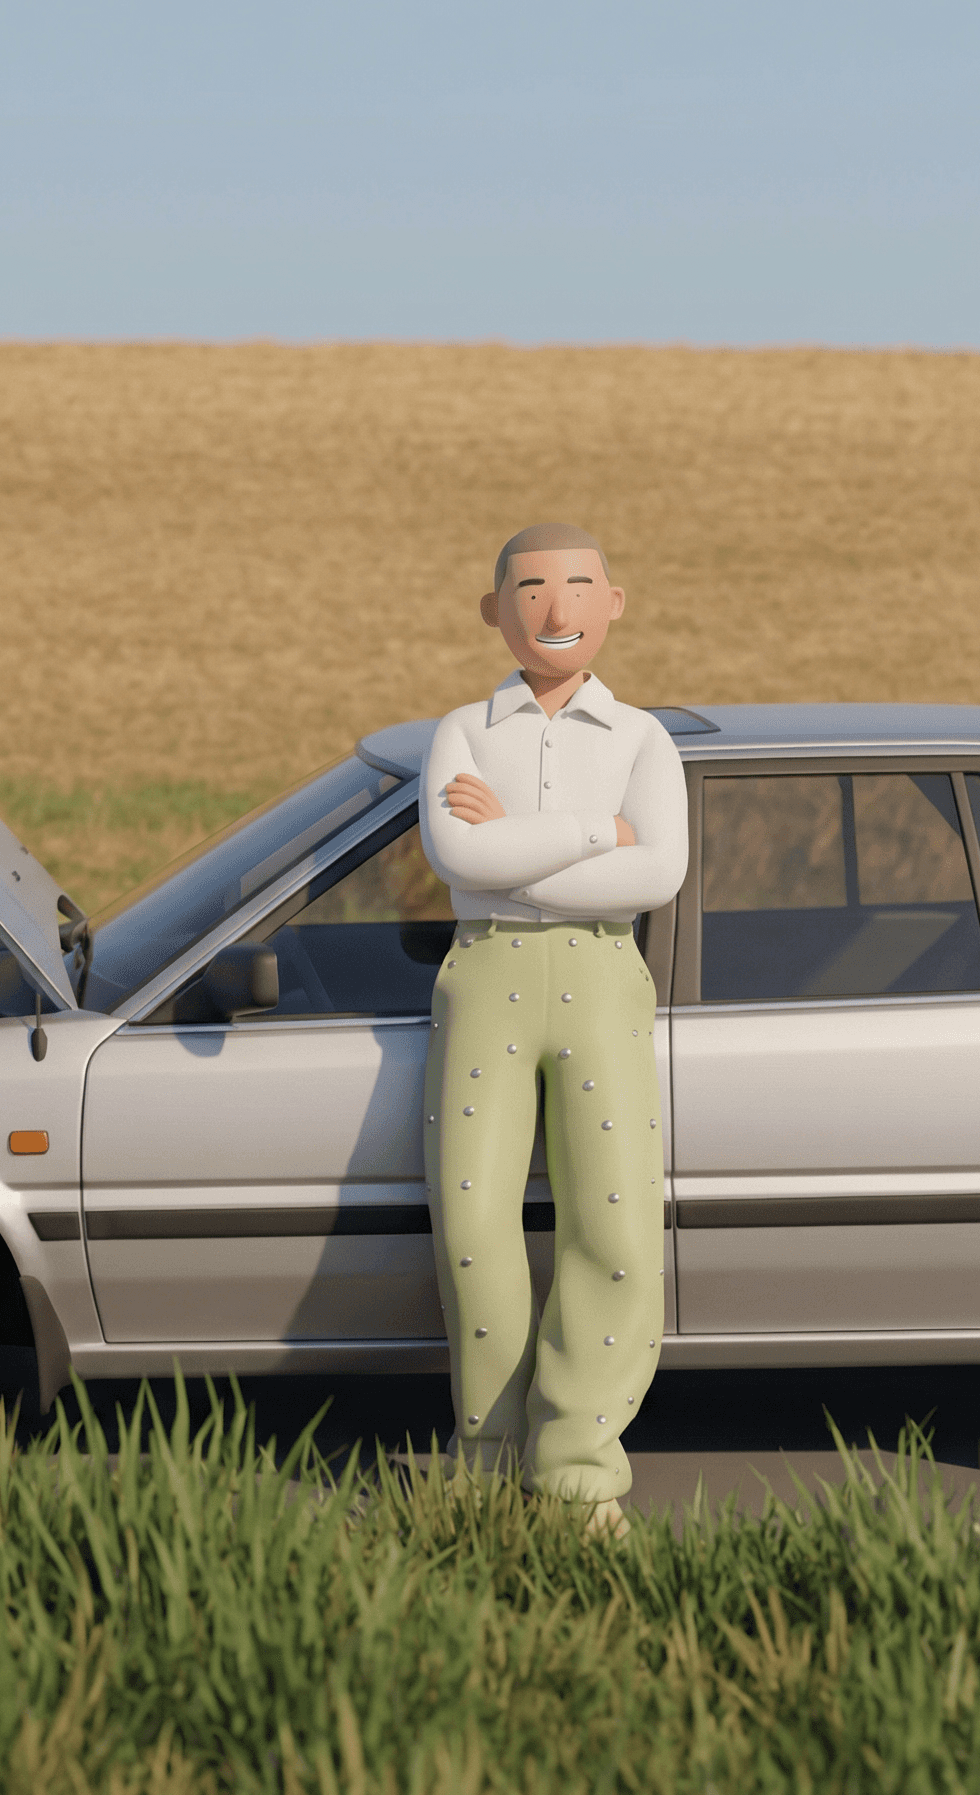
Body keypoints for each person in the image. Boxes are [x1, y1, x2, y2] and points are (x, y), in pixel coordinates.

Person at [417, 522, 688, 1535]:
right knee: (470, 1219)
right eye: (528, 587)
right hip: (481, 975)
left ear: (614, 602)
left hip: (600, 974)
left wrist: (508, 847)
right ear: (492, 610)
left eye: (578, 585)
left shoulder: (640, 739)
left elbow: (655, 872)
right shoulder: (459, 730)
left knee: (612, 1224)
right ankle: (484, 1458)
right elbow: (455, 857)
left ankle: (577, 1467)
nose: (555, 609)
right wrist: (591, 831)